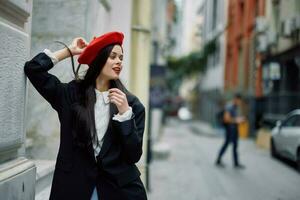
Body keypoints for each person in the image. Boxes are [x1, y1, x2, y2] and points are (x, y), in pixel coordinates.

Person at [24, 32, 147, 200]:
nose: (119, 61)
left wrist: (125, 114)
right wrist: (69, 51)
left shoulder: (132, 105)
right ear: (97, 59)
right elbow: (33, 69)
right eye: (112, 56)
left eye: (121, 57)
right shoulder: (70, 95)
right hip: (74, 186)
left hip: (118, 190)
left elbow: (134, 155)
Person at [215, 93, 245, 169]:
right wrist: (237, 120)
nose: (239, 102)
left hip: (234, 129)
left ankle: (236, 163)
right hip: (230, 129)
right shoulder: (229, 106)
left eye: (240, 101)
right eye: (239, 101)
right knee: (226, 144)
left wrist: (239, 119)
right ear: (235, 99)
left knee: (235, 146)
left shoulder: (235, 107)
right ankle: (218, 159)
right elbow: (226, 119)